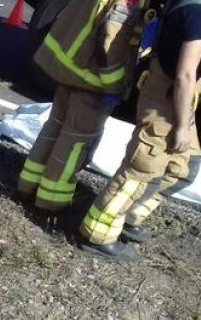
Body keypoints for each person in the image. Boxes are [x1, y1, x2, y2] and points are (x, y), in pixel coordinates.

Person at [80, 0, 201, 260]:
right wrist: (181, 126)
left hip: (179, 100)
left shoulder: (193, 9)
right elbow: (185, 75)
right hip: (168, 103)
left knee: (185, 167)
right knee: (141, 171)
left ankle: (128, 214)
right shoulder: (198, 16)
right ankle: (97, 233)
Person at [18, 0, 149, 212]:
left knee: (54, 127)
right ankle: (51, 200)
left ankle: (27, 185)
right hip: (92, 81)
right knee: (75, 142)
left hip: (72, 70)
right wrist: (114, 85)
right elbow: (112, 38)